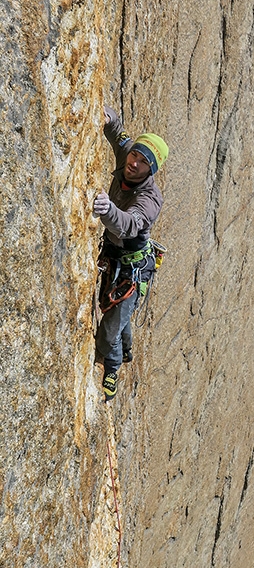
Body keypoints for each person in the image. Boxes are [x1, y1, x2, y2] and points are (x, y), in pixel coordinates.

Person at [94, 107, 168, 400]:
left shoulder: (150, 200)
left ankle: (111, 366)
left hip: (132, 271)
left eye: (143, 162)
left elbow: (129, 224)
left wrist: (109, 210)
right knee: (118, 319)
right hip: (114, 255)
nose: (134, 163)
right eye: (135, 155)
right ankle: (125, 348)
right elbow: (118, 134)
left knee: (107, 333)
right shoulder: (129, 155)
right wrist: (108, 117)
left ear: (152, 170)